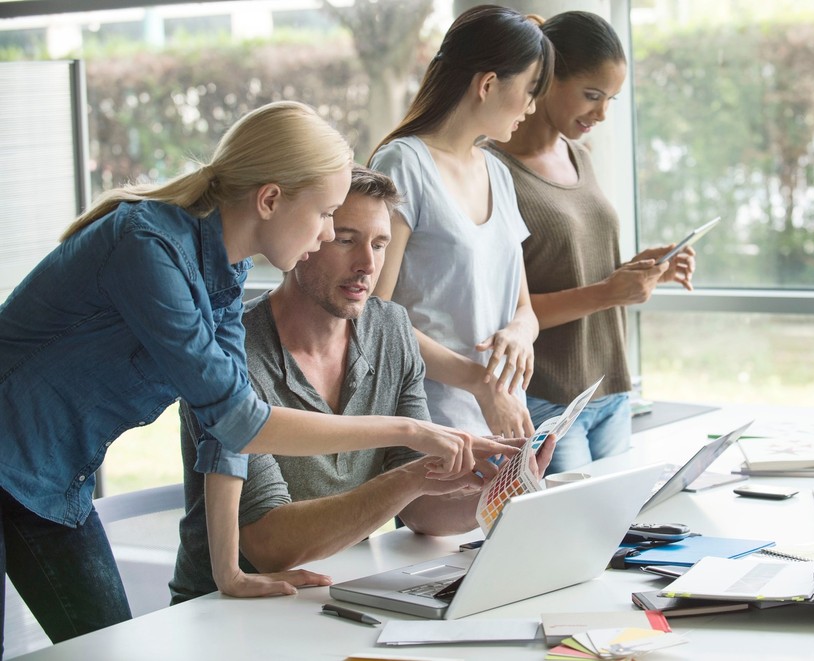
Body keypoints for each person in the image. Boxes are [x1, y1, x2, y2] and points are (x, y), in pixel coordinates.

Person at [0, 100, 511, 650]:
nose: (322, 236)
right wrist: (409, 431)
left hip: (52, 482)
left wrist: (230, 573)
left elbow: (226, 422)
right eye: (325, 217)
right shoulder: (146, 247)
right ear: (270, 199)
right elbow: (243, 421)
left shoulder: (225, 263)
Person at [170, 166, 555, 603]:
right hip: (224, 611)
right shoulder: (228, 352)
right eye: (346, 240)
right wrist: (410, 478)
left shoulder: (392, 329)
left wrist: (499, 490)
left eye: (379, 244)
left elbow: (422, 509)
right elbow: (270, 546)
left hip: (335, 593)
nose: (367, 265)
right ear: (306, 236)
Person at [486, 11, 696, 474]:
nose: (601, 113)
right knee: (575, 539)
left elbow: (569, 264)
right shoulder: (490, 170)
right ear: (545, 79)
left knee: (620, 539)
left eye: (611, 100)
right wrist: (609, 293)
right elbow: (504, 312)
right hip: (548, 397)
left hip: (610, 390)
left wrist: (638, 271)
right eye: (592, 95)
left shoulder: (578, 154)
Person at [369, 4, 555, 441]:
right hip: (433, 428)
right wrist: (480, 382)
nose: (532, 107)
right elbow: (376, 315)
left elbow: (524, 307)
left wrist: (519, 333)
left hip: (505, 419)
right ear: (488, 84)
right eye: (530, 90)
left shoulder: (499, 173)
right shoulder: (403, 163)